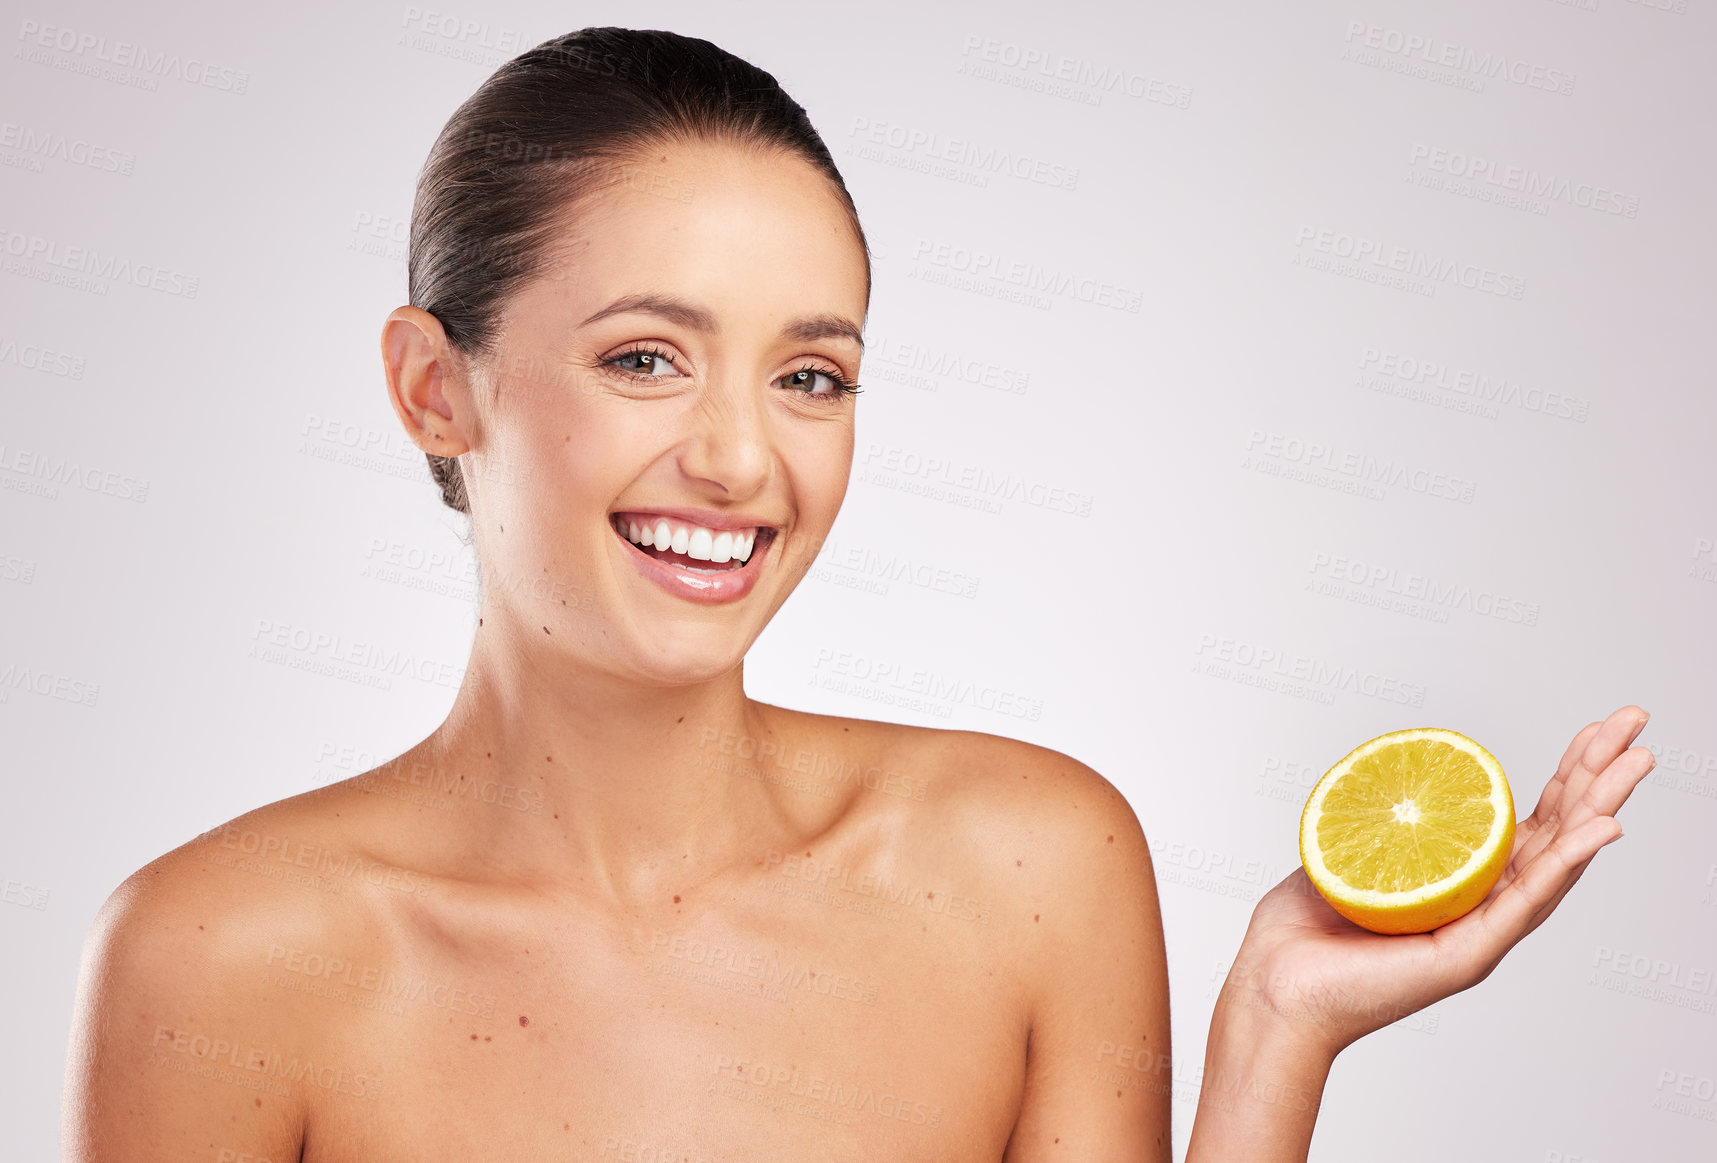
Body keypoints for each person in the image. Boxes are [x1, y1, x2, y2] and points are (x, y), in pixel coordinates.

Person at [61, 26, 1655, 1162]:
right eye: (643, 358)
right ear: (432, 388)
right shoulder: (221, 961)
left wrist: (1273, 1030)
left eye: (811, 374)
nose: (744, 460)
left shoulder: (1028, 865)